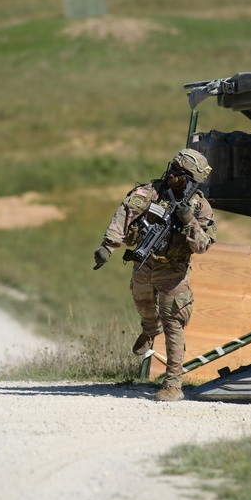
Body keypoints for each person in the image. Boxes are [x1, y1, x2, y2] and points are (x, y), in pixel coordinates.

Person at [94, 148, 217, 401]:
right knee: (143, 304)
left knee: (174, 322)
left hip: (173, 272)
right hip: (144, 263)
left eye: (179, 173)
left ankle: (173, 384)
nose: (172, 174)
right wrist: (109, 245)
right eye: (172, 168)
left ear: (191, 179)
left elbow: (203, 245)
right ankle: (150, 330)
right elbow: (125, 214)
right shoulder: (150, 192)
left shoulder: (200, 206)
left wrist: (189, 221)